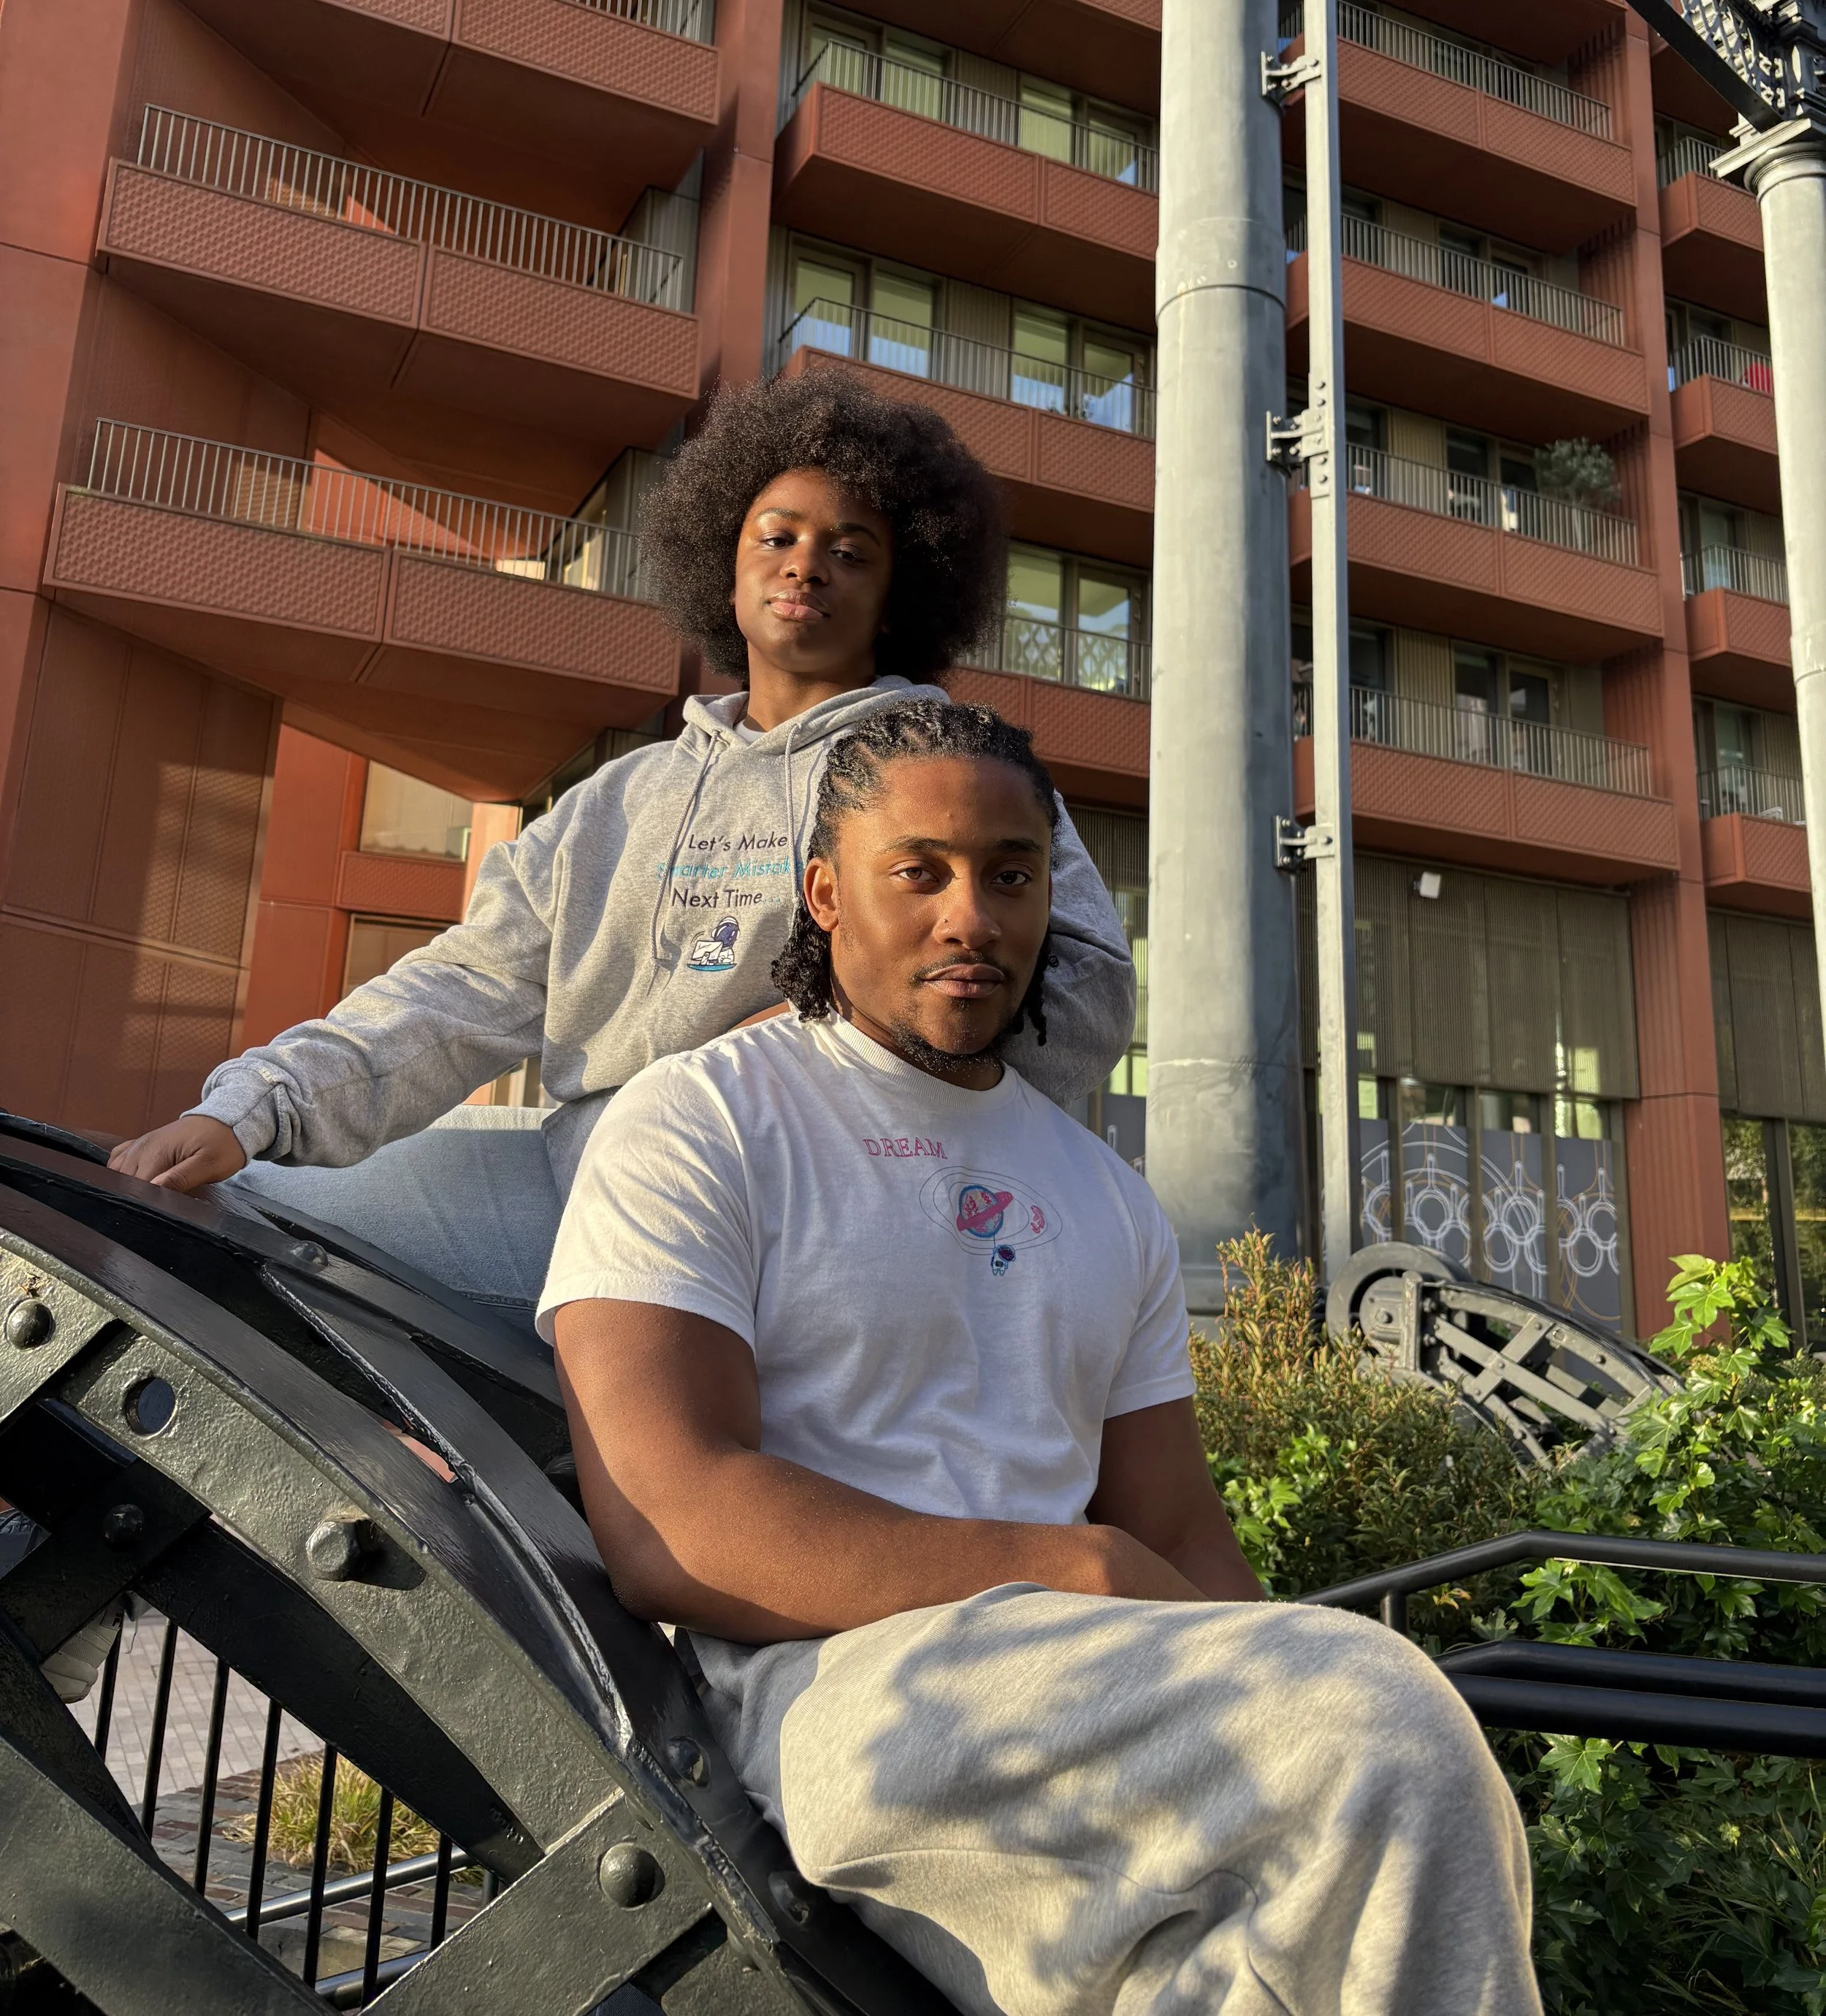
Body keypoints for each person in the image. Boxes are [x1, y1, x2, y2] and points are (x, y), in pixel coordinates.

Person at [543, 700, 1542, 2016]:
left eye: (1010, 876)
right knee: (1385, 1733)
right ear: (825, 896)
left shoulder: (1102, 1192)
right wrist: (1069, 1566)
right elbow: (674, 1521)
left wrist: (1275, 1658)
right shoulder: (701, 1120)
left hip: (1085, 1688)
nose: (973, 917)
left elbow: (1175, 1530)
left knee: (1296, 1910)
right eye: (921, 872)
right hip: (852, 1694)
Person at [106, 374, 1136, 1329]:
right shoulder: (617, 800)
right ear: (723, 568)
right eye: (775, 537)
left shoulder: (951, 776)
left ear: (901, 596)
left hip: (811, 1210)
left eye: (853, 550)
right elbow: (464, 992)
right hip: (580, 1182)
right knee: (212, 1209)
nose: (806, 564)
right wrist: (256, 1108)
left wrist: (805, 1042)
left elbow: (1085, 1000)